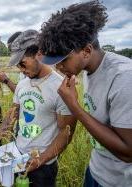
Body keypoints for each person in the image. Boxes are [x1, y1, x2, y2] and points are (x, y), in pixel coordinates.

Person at [38, 1, 132, 186]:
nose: (59, 67)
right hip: (96, 171)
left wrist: (74, 107)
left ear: (87, 51)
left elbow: (128, 152)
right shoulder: (88, 70)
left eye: (63, 60)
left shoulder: (124, 78)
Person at [0, 30, 77, 187]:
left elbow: (66, 133)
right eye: (18, 65)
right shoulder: (22, 84)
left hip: (43, 165)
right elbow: (13, 114)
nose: (21, 69)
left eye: (22, 63)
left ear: (39, 54)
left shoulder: (61, 87)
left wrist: (41, 159)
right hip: (17, 155)